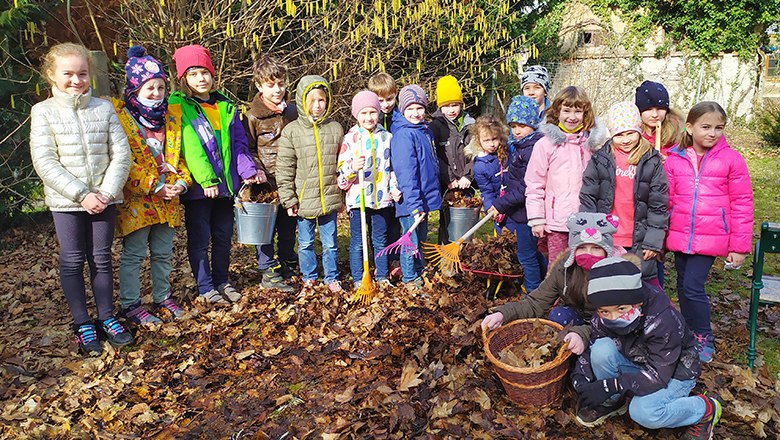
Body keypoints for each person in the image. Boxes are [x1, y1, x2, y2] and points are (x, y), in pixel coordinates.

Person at [30, 43, 132, 354]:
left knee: (101, 259)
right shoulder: (43, 112)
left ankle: (107, 317)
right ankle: (82, 323)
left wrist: (105, 192)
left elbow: (122, 154)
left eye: (82, 73)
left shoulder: (103, 108)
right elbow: (45, 160)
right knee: (73, 260)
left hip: (104, 198)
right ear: (51, 75)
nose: (76, 80)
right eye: (68, 74)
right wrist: (81, 194)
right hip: (67, 202)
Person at [570, 258, 721, 440]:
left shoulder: (662, 321)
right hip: (637, 362)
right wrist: (580, 377)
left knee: (644, 412)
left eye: (622, 309)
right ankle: (613, 402)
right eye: (605, 311)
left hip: (673, 373)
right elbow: (595, 341)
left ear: (638, 302)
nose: (614, 317)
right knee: (601, 349)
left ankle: (704, 408)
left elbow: (658, 375)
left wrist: (611, 385)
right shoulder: (603, 316)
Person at [170, 44, 262, 304]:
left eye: (205, 72)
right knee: (200, 239)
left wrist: (247, 170)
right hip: (201, 189)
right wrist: (207, 179)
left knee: (223, 237)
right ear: (184, 79)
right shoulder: (180, 105)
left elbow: (239, 143)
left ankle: (222, 279)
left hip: (226, 187)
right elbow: (190, 145)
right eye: (194, 74)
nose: (201, 79)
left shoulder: (225, 105)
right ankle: (205, 286)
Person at [664, 101, 753, 363]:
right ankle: (688, 331)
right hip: (680, 235)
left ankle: (703, 335)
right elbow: (667, 200)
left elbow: (742, 204)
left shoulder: (731, 160)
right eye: (706, 127)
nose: (712, 133)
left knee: (692, 286)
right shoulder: (675, 159)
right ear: (689, 127)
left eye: (718, 128)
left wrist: (738, 247)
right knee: (681, 285)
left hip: (711, 238)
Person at [115, 46, 190, 325]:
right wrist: (152, 185)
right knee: (134, 253)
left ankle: (162, 296)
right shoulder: (123, 119)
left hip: (168, 198)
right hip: (138, 199)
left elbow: (178, 157)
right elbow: (123, 162)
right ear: (135, 91)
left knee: (163, 252)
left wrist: (181, 182)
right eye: (150, 89)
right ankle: (131, 304)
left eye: (161, 87)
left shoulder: (170, 119)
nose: (157, 94)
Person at [481, 212, 621, 355]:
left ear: (607, 251)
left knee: (600, 353)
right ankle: (568, 357)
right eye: (582, 248)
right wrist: (503, 313)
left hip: (607, 328)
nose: (588, 253)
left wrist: (582, 334)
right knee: (559, 316)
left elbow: (614, 319)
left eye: (596, 248)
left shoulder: (618, 276)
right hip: (576, 319)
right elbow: (535, 302)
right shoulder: (564, 270)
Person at [580, 101, 668, 284]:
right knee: (608, 283)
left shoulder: (651, 160)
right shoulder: (601, 159)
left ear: (639, 131)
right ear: (612, 135)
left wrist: (653, 242)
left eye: (630, 133)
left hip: (639, 238)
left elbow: (658, 204)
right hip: (608, 235)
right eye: (620, 135)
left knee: (641, 284)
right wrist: (590, 231)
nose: (626, 139)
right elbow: (588, 196)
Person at [525, 86, 608, 268]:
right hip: (557, 223)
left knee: (585, 269)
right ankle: (557, 298)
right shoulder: (545, 145)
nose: (572, 117)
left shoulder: (591, 145)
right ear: (558, 112)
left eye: (578, 111)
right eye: (567, 110)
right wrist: (537, 218)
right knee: (558, 269)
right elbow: (534, 184)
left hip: (586, 220)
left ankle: (580, 298)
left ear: (585, 114)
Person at [277, 75, 344, 294]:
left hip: (329, 196)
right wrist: (288, 199)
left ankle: (332, 277)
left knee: (330, 243)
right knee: (305, 243)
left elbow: (343, 162)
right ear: (302, 101)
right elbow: (285, 168)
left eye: (322, 100)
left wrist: (343, 190)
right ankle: (309, 277)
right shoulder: (292, 131)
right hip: (303, 199)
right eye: (312, 101)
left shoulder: (335, 128)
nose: (317, 105)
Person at [241, 55, 298, 291]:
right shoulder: (252, 116)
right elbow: (249, 147)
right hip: (265, 180)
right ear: (259, 86)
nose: (277, 89)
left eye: (281, 83)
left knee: (287, 225)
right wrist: (257, 170)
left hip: (290, 178)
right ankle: (267, 267)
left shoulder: (293, 111)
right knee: (265, 228)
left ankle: (287, 260)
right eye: (271, 85)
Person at [338, 91, 399, 289]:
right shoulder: (350, 139)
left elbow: (393, 169)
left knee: (379, 239)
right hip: (358, 199)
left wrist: (394, 189)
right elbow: (341, 174)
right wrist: (351, 168)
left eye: (373, 112)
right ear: (356, 114)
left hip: (381, 199)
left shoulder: (387, 138)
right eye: (364, 113)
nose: (369, 117)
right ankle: (358, 278)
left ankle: (381, 276)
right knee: (358, 241)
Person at [488, 95, 547, 291]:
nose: (517, 130)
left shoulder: (532, 149)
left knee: (526, 255)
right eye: (513, 126)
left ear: (533, 123)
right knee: (535, 252)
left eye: (522, 125)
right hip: (522, 211)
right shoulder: (521, 146)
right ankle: (544, 287)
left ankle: (532, 292)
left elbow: (526, 187)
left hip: (527, 213)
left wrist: (501, 204)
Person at [390, 85, 442, 287]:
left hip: (423, 198)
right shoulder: (404, 135)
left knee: (420, 237)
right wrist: (414, 205)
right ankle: (410, 277)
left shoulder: (424, 130)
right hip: (411, 201)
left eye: (419, 108)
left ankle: (419, 271)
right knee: (409, 241)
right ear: (402, 110)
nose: (416, 113)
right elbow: (406, 174)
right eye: (410, 109)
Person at [635, 80, 683, 289]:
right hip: (640, 204)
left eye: (660, 108)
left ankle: (657, 297)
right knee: (642, 254)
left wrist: (668, 163)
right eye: (648, 109)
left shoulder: (674, 137)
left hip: (666, 205)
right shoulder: (633, 134)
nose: (655, 114)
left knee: (657, 254)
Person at [430, 75, 475, 244]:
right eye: (447, 106)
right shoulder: (434, 126)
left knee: (467, 222)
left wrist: (468, 176)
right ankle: (446, 257)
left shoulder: (470, 125)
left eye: (455, 105)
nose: (451, 110)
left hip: (466, 183)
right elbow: (435, 156)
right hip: (446, 185)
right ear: (440, 106)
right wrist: (448, 178)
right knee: (447, 222)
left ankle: (465, 256)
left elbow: (475, 153)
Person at [368, 72, 402, 281]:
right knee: (376, 225)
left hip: (396, 178)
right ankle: (377, 261)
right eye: (380, 100)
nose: (385, 104)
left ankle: (394, 259)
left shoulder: (399, 119)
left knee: (394, 222)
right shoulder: (369, 119)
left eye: (389, 99)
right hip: (376, 181)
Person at [471, 114, 509, 235]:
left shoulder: (508, 153)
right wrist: (490, 206)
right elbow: (486, 191)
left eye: (494, 139)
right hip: (499, 205)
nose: (492, 144)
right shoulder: (480, 166)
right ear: (479, 141)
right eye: (486, 141)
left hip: (515, 201)